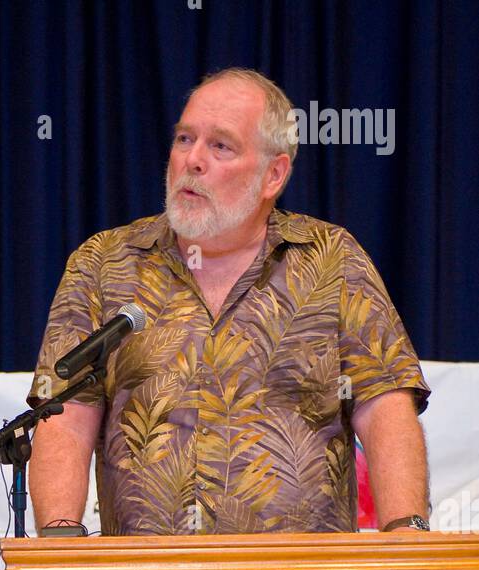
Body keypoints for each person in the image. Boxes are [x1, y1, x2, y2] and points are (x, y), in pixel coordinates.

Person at [28, 68, 431, 537]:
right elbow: (65, 419)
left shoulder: (331, 259)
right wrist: (60, 547)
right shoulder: (104, 264)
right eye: (184, 139)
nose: (193, 160)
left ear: (272, 174)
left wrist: (405, 534)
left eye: (220, 146)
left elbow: (384, 408)